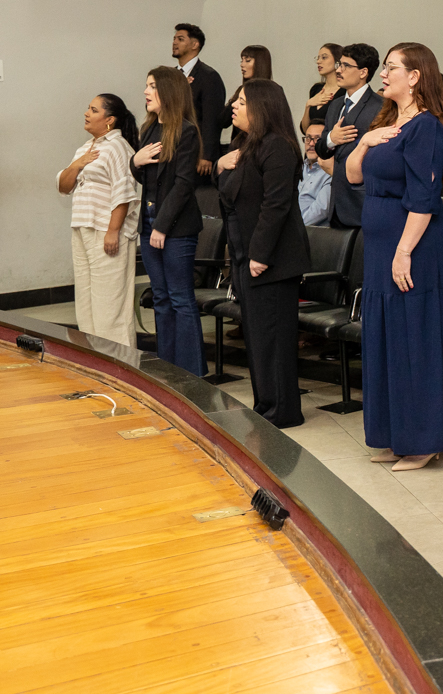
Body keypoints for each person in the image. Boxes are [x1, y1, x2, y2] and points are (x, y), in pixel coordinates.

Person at [345, 42, 443, 471]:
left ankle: (423, 440)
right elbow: (353, 175)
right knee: (387, 341)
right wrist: (364, 142)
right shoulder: (386, 122)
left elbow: (424, 198)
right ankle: (395, 434)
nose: (383, 74)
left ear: (415, 76)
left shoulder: (427, 127)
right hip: (382, 247)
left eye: (391, 68)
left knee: (415, 340)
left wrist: (403, 252)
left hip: (414, 247)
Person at [215, 79, 310, 428]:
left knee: (273, 338)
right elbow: (229, 193)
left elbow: (276, 206)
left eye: (242, 102)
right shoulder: (246, 145)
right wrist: (219, 165)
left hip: (271, 259)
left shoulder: (278, 147)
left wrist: (260, 254)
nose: (234, 106)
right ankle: (266, 405)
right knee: (257, 337)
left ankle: (282, 411)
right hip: (245, 254)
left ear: (262, 108)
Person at [133, 67, 207, 378]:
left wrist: (162, 226)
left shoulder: (186, 131)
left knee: (179, 298)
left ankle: (192, 373)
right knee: (160, 298)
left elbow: (182, 184)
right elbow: (148, 178)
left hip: (176, 228)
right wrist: (134, 162)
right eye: (146, 85)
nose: (146, 92)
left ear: (168, 91)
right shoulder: (149, 128)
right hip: (149, 223)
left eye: (152, 86)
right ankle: (168, 369)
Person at [56, 93, 141, 348]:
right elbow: (63, 186)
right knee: (86, 302)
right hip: (83, 229)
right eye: (88, 108)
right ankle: (93, 357)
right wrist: (77, 164)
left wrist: (113, 231)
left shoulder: (118, 147)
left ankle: (119, 360)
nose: (86, 113)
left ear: (109, 120)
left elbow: (124, 191)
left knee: (110, 305)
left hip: (106, 231)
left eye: (93, 110)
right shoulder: (85, 148)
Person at [316, 43, 384, 229]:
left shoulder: (380, 107)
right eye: (340, 64)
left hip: (362, 201)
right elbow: (321, 149)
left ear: (363, 72)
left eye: (346, 66)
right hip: (337, 203)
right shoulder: (336, 105)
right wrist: (331, 139)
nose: (339, 70)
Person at [170, 23, 225, 180]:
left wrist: (206, 154)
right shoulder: (171, 75)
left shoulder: (208, 76)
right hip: (172, 149)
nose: (174, 42)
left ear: (195, 44)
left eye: (180, 39)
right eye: (174, 38)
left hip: (194, 151)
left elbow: (212, 118)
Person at [221, 45, 272, 149]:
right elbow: (223, 121)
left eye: (247, 61)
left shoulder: (271, 92)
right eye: (242, 60)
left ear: (260, 64)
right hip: (238, 148)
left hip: (259, 148)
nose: (242, 65)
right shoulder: (242, 90)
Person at [299, 122, 334, 227]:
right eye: (308, 138)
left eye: (317, 139)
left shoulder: (330, 172)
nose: (311, 144)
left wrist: (294, 228)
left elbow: (321, 210)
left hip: (312, 232)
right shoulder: (298, 168)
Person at [303, 43, 344, 128]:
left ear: (337, 61)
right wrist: (308, 105)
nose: (318, 62)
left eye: (324, 57)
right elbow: (305, 129)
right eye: (318, 58)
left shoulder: (345, 91)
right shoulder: (316, 89)